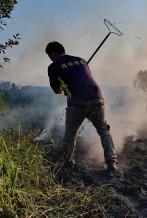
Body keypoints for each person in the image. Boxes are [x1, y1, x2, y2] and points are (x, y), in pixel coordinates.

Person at [46, 41, 117, 173]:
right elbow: (86, 78)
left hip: (77, 102)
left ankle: (68, 164)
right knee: (103, 130)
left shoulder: (53, 66)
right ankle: (112, 162)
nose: (50, 59)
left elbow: (56, 89)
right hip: (97, 97)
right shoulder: (82, 61)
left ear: (53, 54)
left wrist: (63, 91)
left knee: (70, 134)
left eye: (50, 56)